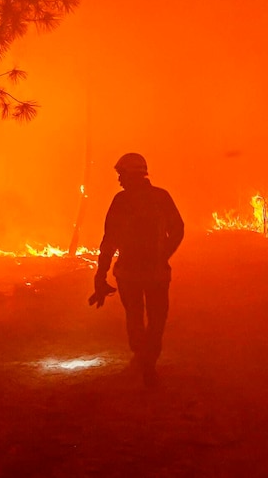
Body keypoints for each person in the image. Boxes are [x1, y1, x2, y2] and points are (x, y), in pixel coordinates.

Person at [89, 153, 184, 387]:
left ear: (131, 175)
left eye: (121, 174)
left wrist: (101, 275)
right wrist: (163, 256)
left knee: (135, 318)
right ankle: (148, 361)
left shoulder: (121, 201)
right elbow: (178, 230)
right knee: (157, 319)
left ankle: (144, 359)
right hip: (157, 274)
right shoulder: (161, 197)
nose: (119, 180)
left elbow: (109, 241)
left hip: (129, 274)